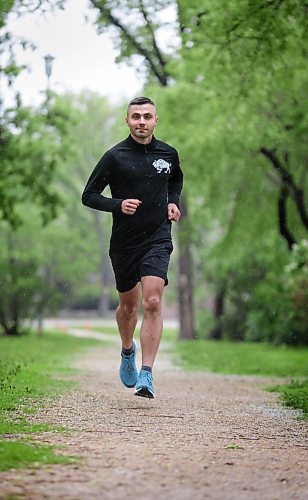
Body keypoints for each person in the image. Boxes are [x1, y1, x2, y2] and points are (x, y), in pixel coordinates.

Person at [82, 96, 183, 398]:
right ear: (127, 121)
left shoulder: (168, 153)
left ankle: (147, 374)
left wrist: (173, 202)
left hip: (157, 238)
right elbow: (88, 195)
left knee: (152, 302)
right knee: (128, 307)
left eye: (147, 116)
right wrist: (117, 205)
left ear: (156, 120)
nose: (142, 121)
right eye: (136, 116)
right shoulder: (115, 156)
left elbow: (175, 179)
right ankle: (128, 350)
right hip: (125, 243)